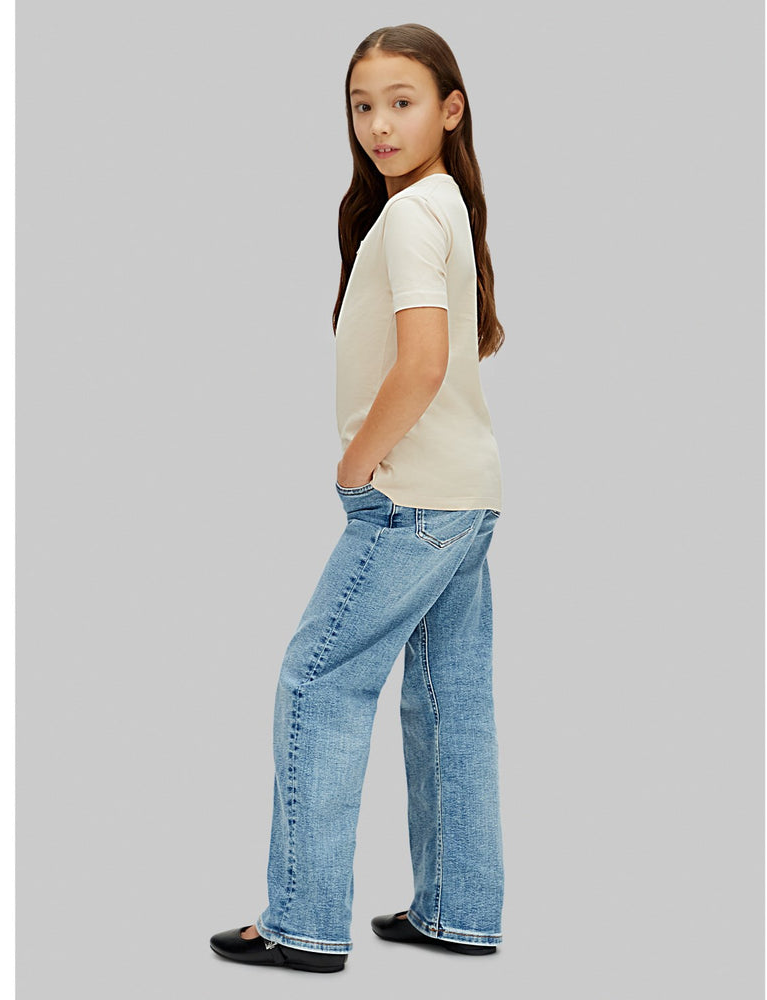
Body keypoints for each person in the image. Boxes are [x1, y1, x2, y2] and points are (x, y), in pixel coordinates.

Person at [210, 23, 507, 974]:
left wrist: (354, 467)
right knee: (449, 703)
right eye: (362, 106)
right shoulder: (443, 204)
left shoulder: (415, 214)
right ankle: (458, 911)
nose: (379, 124)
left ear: (450, 110)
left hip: (410, 501)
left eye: (402, 103)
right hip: (467, 497)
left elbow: (421, 364)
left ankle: (302, 923)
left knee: (318, 682)